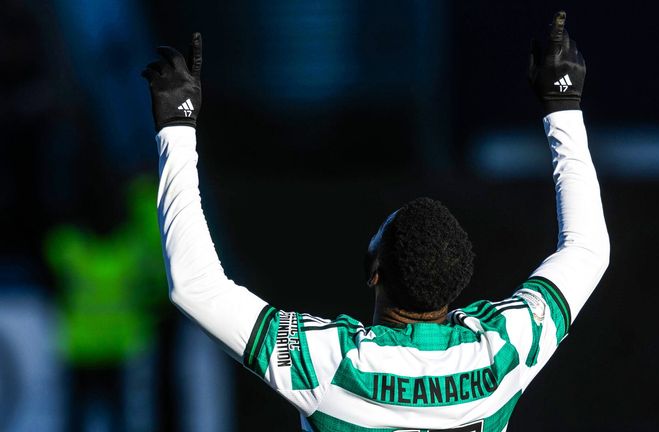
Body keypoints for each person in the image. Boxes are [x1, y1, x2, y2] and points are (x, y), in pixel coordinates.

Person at [142, 11, 609, 432]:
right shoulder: (506, 348)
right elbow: (587, 251)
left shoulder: (327, 362)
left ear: (374, 271)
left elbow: (195, 287)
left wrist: (177, 128)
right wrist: (563, 107)